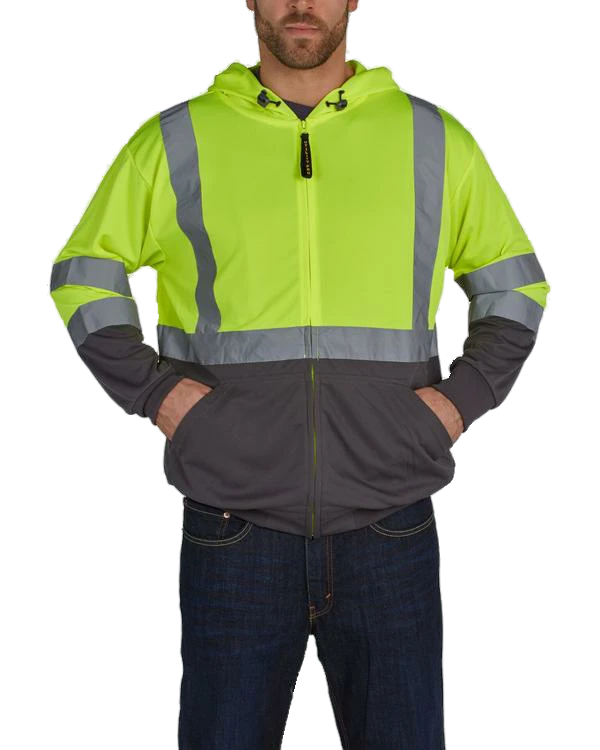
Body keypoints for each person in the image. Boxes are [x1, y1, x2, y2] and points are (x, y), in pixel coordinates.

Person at [47, 1, 552, 747]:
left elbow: (514, 288)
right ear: (251, 1)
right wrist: (158, 394)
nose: (301, 5)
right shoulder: (178, 139)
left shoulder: (432, 138)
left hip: (392, 512)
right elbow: (85, 280)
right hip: (231, 516)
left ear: (354, 1)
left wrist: (455, 405)